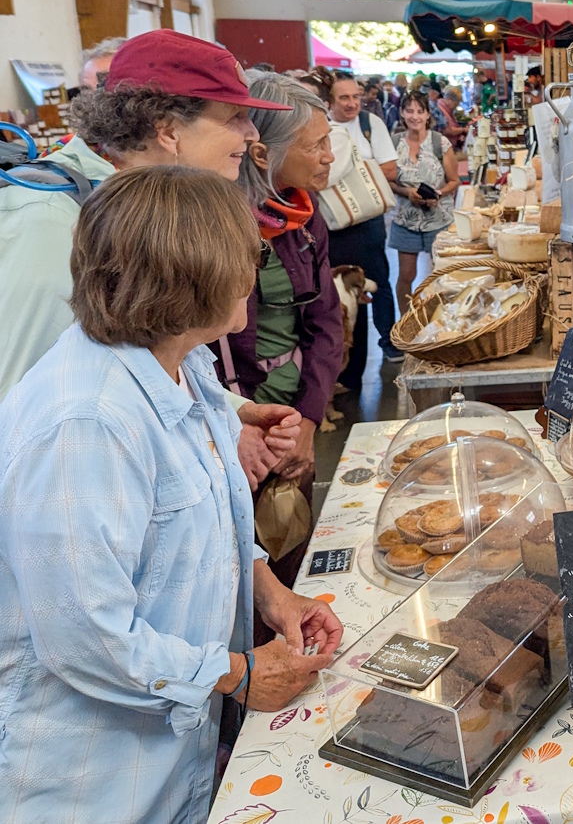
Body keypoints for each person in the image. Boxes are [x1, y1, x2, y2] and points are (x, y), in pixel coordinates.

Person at [0, 166, 342, 823]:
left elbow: (208, 522)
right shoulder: (85, 421)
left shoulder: (185, 362)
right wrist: (238, 674)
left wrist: (272, 597)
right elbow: (86, 635)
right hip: (93, 784)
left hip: (174, 756)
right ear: (193, 273)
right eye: (249, 252)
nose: (257, 268)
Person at [0, 30, 284, 410]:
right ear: (167, 131)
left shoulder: (157, 207)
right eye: (235, 116)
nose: (251, 134)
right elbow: (24, 399)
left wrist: (231, 413)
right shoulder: (50, 218)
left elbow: (151, 354)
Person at [222, 72, 344, 591]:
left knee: (291, 553)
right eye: (315, 145)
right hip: (231, 429)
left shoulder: (306, 220)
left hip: (292, 417)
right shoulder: (216, 226)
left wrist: (309, 420)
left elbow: (324, 322)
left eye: (328, 142)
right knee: (234, 573)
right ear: (260, 153)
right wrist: (239, 427)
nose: (328, 158)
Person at [325, 68, 403, 374]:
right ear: (329, 101)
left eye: (356, 96)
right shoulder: (322, 128)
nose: (352, 103)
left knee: (379, 281)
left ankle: (389, 341)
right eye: (343, 97)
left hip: (368, 222)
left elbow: (391, 170)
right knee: (342, 292)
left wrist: (340, 173)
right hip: (333, 227)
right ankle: (350, 363)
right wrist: (362, 169)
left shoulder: (372, 124)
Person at [390, 93, 461, 313]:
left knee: (442, 273)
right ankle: (406, 322)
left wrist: (437, 194)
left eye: (420, 111)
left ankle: (443, 319)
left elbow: (454, 181)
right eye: (409, 111)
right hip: (405, 221)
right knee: (405, 276)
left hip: (438, 220)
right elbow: (388, 181)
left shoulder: (440, 143)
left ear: (428, 114)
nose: (415, 116)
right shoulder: (394, 143)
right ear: (402, 113)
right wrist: (406, 192)